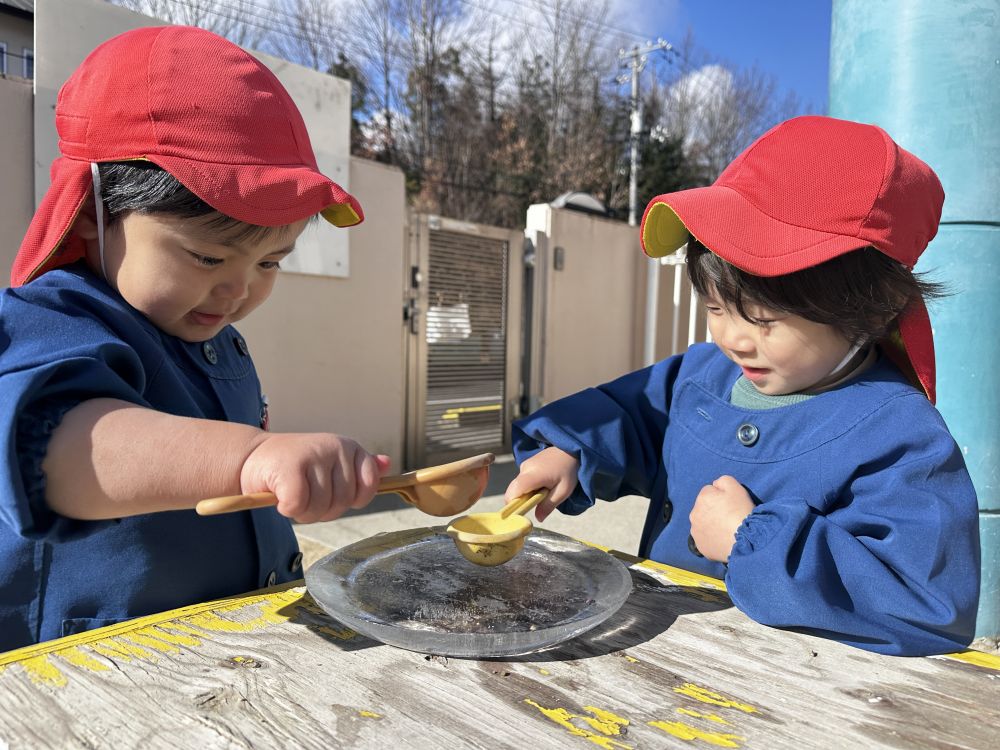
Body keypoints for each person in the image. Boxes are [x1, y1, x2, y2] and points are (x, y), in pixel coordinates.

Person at [505, 115, 980, 656]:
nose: (733, 338)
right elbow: (634, 416)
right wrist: (570, 449)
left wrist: (751, 542)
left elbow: (927, 605)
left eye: (762, 318)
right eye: (714, 307)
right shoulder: (703, 374)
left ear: (868, 309)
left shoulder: (899, 437)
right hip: (654, 660)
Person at [0, 26, 390, 651]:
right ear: (98, 211)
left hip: (230, 651)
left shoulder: (212, 339)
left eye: (270, 263)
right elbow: (60, 454)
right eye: (209, 259)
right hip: (103, 671)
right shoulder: (53, 318)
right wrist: (248, 458)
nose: (238, 292)